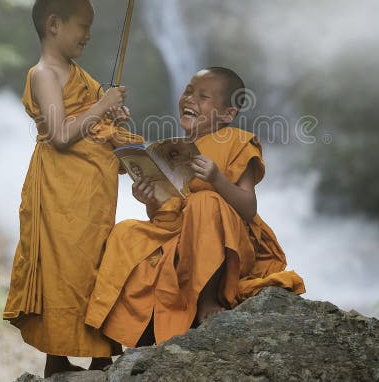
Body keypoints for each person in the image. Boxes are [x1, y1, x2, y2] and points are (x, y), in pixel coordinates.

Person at [86, 67, 304, 347]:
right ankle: (128, 332)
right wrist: (150, 198)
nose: (190, 99)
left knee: (206, 200)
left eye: (203, 97)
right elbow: (170, 214)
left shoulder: (238, 141)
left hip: (229, 245)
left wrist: (217, 178)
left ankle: (206, 298)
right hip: (183, 237)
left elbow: (248, 208)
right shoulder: (180, 150)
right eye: (188, 91)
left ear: (227, 114)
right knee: (127, 233)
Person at [3, 0, 140, 376]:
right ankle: (57, 359)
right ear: (53, 25)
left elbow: (90, 122)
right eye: (83, 26)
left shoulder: (79, 74)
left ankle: (100, 354)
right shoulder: (44, 74)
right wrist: (101, 105)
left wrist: (111, 114)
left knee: (95, 263)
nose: (88, 35)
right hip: (61, 189)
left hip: (93, 189)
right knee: (64, 268)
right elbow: (61, 134)